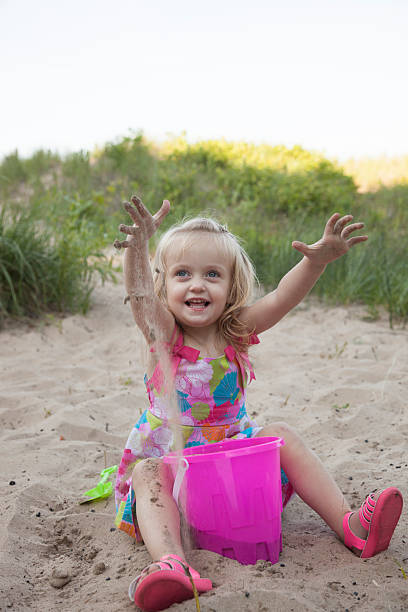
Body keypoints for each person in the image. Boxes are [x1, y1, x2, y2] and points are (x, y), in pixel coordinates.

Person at [113, 196, 403, 612]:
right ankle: (172, 563)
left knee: (280, 434)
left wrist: (316, 262)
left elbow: (283, 297)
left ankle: (351, 524)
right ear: (165, 284)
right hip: (175, 477)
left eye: (212, 274)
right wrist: (138, 249)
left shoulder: (236, 330)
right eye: (182, 274)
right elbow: (139, 295)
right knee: (147, 472)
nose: (197, 285)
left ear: (231, 286)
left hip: (232, 479)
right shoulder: (165, 334)